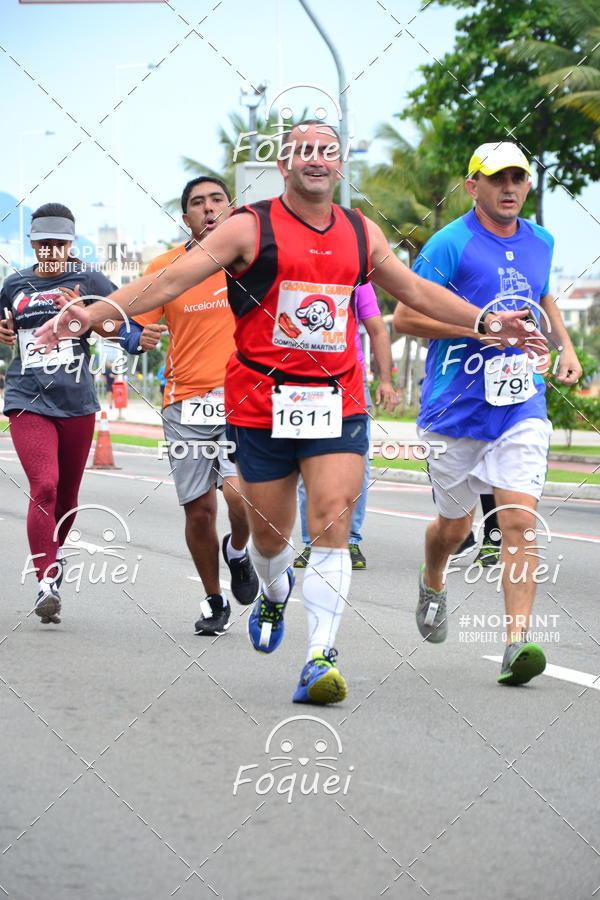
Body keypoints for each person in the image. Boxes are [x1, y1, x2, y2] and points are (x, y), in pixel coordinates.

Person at [36, 123, 540, 704]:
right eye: (305, 149)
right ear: (284, 164)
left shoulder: (360, 231)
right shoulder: (250, 226)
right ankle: (275, 592)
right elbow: (169, 279)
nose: (317, 159)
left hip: (337, 399)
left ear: (340, 164)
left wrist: (485, 321)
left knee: (328, 518)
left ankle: (320, 655)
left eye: (329, 150)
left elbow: (416, 292)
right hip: (260, 400)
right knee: (271, 538)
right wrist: (92, 312)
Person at [393, 142, 581, 685]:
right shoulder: (449, 243)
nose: (509, 188)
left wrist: (563, 344)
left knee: (519, 521)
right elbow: (405, 316)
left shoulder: (541, 240)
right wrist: (481, 327)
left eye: (518, 178)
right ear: (472, 186)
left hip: (520, 404)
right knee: (454, 528)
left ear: (528, 185)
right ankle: (433, 574)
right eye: (497, 179)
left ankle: (516, 643)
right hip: (454, 407)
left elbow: (544, 298)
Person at [118, 176, 258, 634]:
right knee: (199, 509)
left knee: (240, 496)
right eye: (198, 203)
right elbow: (129, 327)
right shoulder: (167, 267)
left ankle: (237, 550)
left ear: (231, 209)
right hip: (185, 404)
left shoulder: (251, 261)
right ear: (186, 218)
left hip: (243, 399)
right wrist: (141, 338)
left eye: (217, 199)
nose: (208, 208)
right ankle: (214, 600)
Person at [0, 202, 118, 625]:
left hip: (77, 401)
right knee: (44, 487)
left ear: (71, 242)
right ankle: (45, 580)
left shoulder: (89, 279)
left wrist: (89, 319)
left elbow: (118, 329)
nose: (51, 249)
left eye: (59, 242)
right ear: (32, 242)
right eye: (43, 242)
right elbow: (4, 327)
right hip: (26, 396)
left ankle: (55, 553)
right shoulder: (14, 283)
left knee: (66, 500)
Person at [294, 281, 397, 569]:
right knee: (308, 465)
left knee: (357, 465)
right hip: (303, 383)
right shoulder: (294, 273)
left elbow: (377, 328)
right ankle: (311, 540)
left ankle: (350, 539)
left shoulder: (357, 276)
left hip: (350, 382)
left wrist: (385, 380)